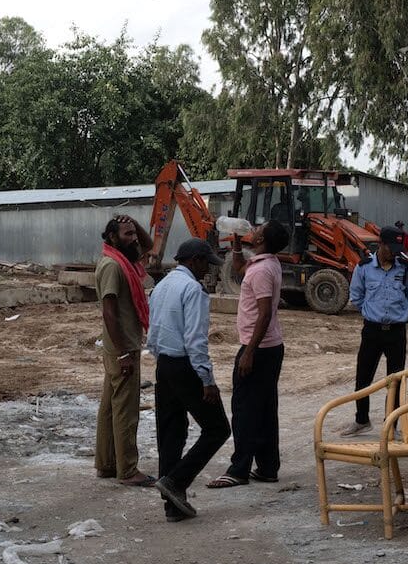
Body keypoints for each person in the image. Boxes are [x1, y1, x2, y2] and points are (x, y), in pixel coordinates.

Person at [148, 238, 231, 521]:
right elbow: (196, 340)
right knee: (218, 429)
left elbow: (154, 332)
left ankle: (173, 506)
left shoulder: (161, 286)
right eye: (206, 263)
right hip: (185, 366)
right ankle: (176, 481)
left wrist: (162, 361)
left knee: (171, 433)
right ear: (195, 260)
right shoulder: (192, 289)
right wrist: (207, 380)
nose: (208, 269)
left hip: (164, 364)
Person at [208, 220, 290, 488]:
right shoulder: (265, 263)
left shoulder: (263, 270)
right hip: (270, 347)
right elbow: (240, 270)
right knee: (265, 408)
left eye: (258, 230)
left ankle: (239, 469)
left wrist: (249, 352)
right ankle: (267, 467)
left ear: (260, 240)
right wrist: (235, 245)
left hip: (259, 349)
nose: (252, 230)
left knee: (244, 409)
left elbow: (264, 312)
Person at [339, 225, 408, 436]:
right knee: (363, 376)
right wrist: (370, 311)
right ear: (381, 244)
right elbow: (356, 296)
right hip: (372, 330)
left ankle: (391, 425)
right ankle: (362, 419)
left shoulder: (404, 268)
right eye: (391, 247)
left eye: (397, 248)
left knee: (395, 380)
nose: (394, 252)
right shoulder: (364, 267)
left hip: (396, 332)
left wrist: (400, 312)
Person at [94, 214, 156, 487]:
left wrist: (133, 222)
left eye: (133, 233)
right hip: (122, 348)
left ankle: (107, 464)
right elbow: (109, 312)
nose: (133, 239)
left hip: (119, 346)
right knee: (126, 411)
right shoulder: (113, 266)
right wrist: (122, 353)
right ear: (111, 238)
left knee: (109, 408)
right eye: (127, 234)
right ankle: (128, 470)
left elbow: (149, 244)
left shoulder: (125, 261)